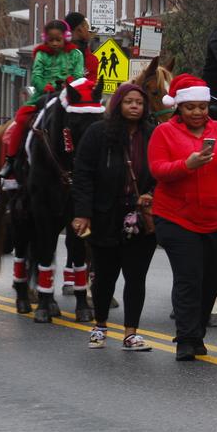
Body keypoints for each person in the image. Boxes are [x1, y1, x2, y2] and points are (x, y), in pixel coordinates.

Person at [148, 74, 217, 361]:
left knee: (210, 279)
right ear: (179, 109)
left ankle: (197, 333)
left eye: (202, 107)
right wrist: (187, 165)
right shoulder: (164, 133)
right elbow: (157, 169)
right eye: (190, 107)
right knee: (189, 277)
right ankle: (186, 338)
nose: (197, 112)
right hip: (177, 219)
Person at [71, 83, 156, 351]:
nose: (134, 106)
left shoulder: (153, 135)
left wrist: (151, 195)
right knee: (104, 275)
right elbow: (82, 175)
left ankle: (131, 333)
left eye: (139, 103)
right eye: (129, 101)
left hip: (140, 218)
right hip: (105, 215)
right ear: (118, 104)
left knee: (136, 276)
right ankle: (100, 325)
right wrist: (83, 213)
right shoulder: (98, 134)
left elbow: (162, 172)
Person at [2, 20, 86, 180]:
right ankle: (11, 160)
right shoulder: (41, 54)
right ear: (45, 39)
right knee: (21, 119)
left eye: (58, 40)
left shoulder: (76, 55)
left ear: (66, 38)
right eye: (51, 40)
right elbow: (36, 77)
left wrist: (69, 84)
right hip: (43, 95)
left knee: (86, 120)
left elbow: (78, 77)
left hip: (69, 96)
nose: (54, 43)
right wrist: (46, 86)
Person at [64, 11, 100, 81]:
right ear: (80, 29)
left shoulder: (56, 52)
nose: (89, 31)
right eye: (87, 27)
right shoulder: (91, 60)